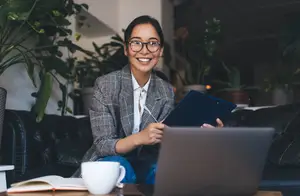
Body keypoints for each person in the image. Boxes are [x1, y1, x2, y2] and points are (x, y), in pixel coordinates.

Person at [72, 15, 224, 183]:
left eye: (152, 43)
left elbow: (167, 144)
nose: (144, 50)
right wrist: (140, 138)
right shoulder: (106, 85)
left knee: (165, 169)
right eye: (136, 42)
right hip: (110, 160)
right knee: (119, 165)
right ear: (126, 49)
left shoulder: (165, 90)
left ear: (160, 50)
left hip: (147, 162)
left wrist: (201, 137)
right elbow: (103, 145)